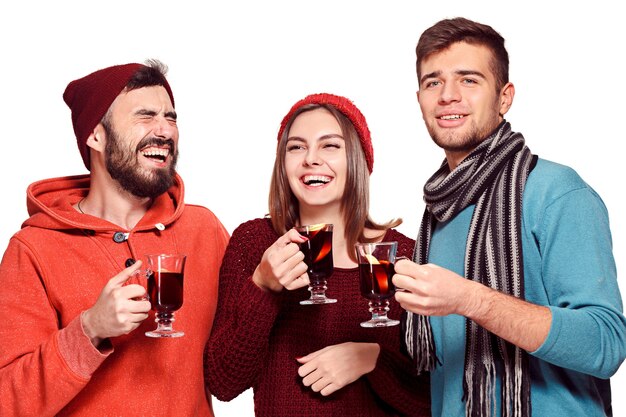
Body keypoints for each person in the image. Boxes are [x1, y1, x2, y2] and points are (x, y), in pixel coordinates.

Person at [392, 17, 626, 417]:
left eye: (469, 80)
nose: (448, 95)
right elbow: (436, 365)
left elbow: (605, 344)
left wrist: (471, 299)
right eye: (434, 82)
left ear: (504, 97)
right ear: (419, 99)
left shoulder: (556, 192)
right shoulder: (436, 214)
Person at [0, 60, 229, 416]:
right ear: (96, 135)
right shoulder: (33, 250)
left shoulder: (204, 230)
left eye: (171, 117)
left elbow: (246, 349)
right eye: (145, 115)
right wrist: (90, 329)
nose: (165, 130)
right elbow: (8, 401)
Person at [204, 93, 430, 416]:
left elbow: (434, 397)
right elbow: (224, 382)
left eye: (330, 145)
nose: (311, 158)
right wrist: (263, 287)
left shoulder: (400, 255)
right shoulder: (255, 243)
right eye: (296, 146)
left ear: (357, 158)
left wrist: (372, 358)